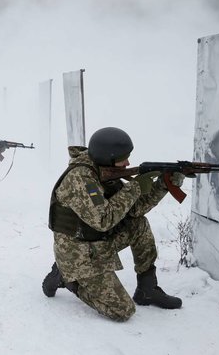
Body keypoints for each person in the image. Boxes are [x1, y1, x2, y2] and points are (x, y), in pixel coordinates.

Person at [41, 127, 184, 322]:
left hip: (96, 241)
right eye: (123, 158)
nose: (128, 163)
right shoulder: (81, 179)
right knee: (123, 311)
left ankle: (147, 288)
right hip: (77, 252)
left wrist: (165, 185)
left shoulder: (103, 170)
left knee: (138, 225)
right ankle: (67, 278)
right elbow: (103, 219)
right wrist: (135, 187)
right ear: (107, 157)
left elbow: (133, 209)